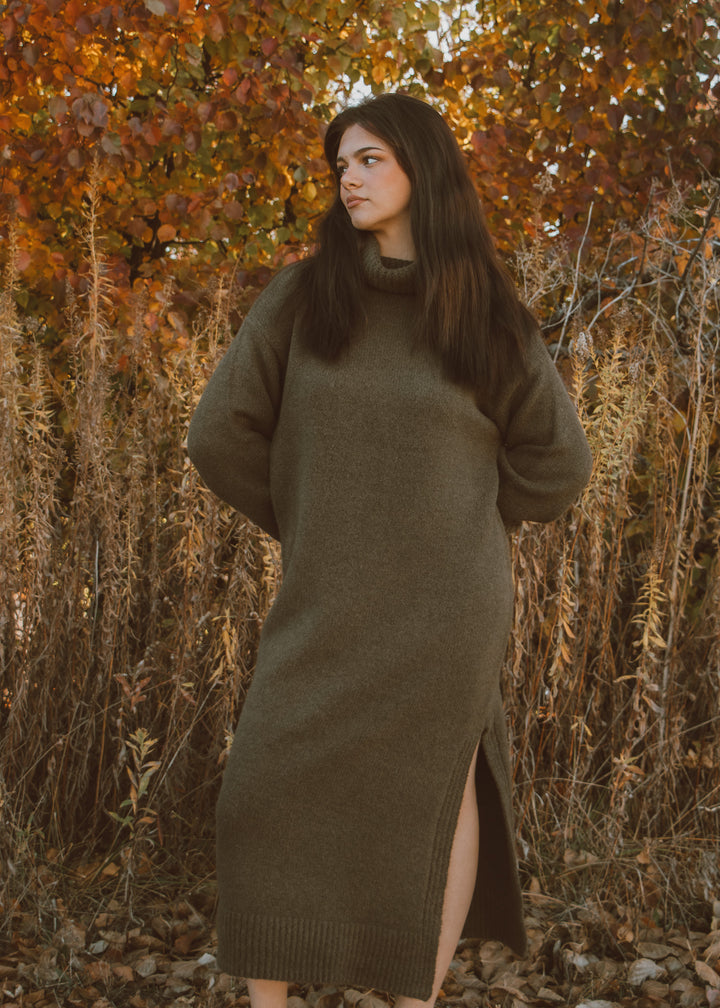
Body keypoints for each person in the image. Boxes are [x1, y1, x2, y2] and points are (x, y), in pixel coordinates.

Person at [187, 92, 593, 1008]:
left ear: (422, 169)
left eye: (370, 159)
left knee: (432, 798)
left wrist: (460, 522)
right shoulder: (303, 295)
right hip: (326, 595)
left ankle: (417, 1000)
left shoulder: (486, 313)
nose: (349, 177)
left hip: (447, 608)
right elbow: (218, 435)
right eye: (342, 164)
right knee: (266, 791)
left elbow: (559, 465)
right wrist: (314, 517)